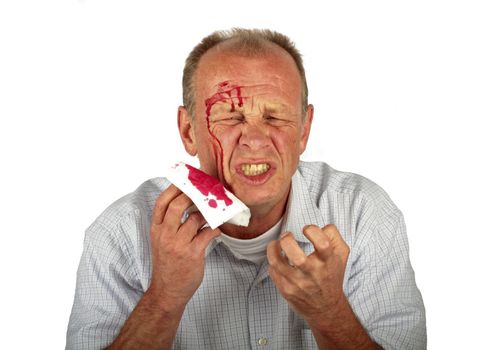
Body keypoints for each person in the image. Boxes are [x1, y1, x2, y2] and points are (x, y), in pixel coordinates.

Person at [66, 28, 426, 350]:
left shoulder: (364, 215)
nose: (254, 140)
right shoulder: (119, 232)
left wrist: (331, 314)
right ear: (189, 131)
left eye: (274, 117)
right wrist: (164, 299)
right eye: (230, 117)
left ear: (303, 131)